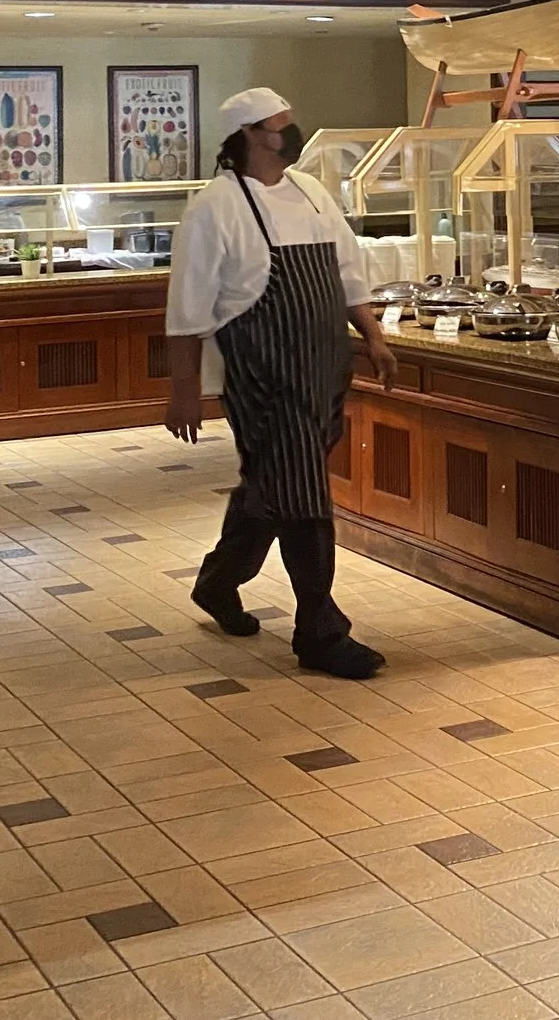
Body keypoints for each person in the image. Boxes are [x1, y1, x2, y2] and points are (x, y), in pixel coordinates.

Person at [164, 87, 399, 679]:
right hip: (263, 374)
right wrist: (183, 390)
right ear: (249, 134)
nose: (292, 134)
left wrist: (371, 334)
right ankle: (320, 632)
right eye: (280, 125)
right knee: (305, 501)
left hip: (323, 369)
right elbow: (187, 309)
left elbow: (348, 270)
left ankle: (218, 582)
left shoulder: (312, 193)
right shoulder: (213, 207)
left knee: (278, 484)